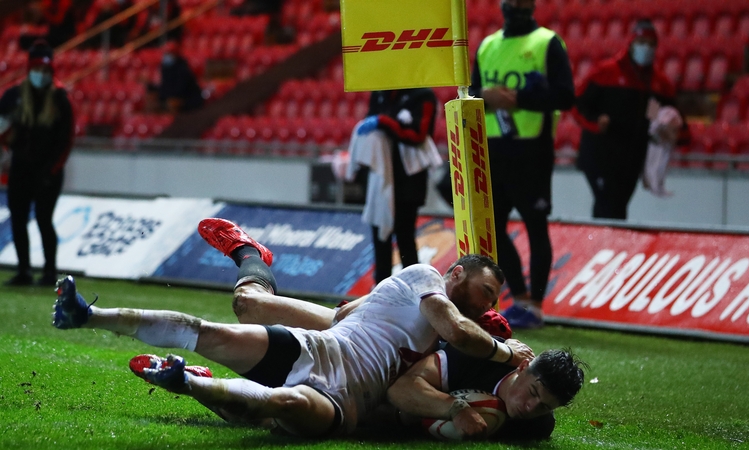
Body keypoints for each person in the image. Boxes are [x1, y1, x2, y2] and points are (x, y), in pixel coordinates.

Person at [52, 217, 533, 437]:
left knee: (272, 404)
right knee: (244, 306)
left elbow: (421, 380)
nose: (487, 305)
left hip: (348, 353)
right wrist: (505, 352)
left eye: (491, 301)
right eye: (485, 293)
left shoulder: (475, 330)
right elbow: (456, 333)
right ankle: (248, 255)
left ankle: (197, 382)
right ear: (455, 276)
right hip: (336, 336)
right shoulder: (435, 290)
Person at [469, 0, 575, 329]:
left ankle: (537, 306)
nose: (515, 5)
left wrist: (519, 99)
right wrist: (486, 97)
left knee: (535, 226)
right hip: (494, 149)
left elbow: (565, 96)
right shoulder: (488, 45)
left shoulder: (547, 42)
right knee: (495, 230)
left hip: (532, 149)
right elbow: (470, 92)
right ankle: (519, 298)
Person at [572, 19, 686, 220]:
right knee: (609, 207)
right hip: (600, 157)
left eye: (652, 45)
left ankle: (608, 248)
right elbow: (576, 105)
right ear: (631, 43)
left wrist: (672, 133)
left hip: (631, 161)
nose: (647, 49)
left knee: (616, 209)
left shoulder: (659, 84)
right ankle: (606, 247)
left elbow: (679, 126)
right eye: (642, 42)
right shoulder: (605, 73)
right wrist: (596, 123)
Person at [388, 344, 586, 440]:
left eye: (544, 407)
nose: (530, 407)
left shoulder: (538, 427)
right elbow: (400, 386)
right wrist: (456, 409)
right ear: (523, 367)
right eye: (533, 392)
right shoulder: (478, 356)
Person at [0, 40, 74, 286]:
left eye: (44, 70)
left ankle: (49, 272)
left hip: (47, 171)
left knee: (44, 219)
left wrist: (52, 170)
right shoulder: (14, 96)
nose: (40, 75)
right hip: (21, 167)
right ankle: (24, 271)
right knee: (19, 219)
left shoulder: (60, 98)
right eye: (37, 68)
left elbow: (67, 139)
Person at [352, 89, 440, 285]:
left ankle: (413, 290)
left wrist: (385, 122)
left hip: (408, 179)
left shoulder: (423, 95)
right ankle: (380, 290)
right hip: (380, 177)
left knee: (405, 237)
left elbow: (418, 135)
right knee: (379, 238)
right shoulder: (380, 92)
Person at [159, 40, 203, 114]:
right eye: (165, 53)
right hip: (174, 99)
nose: (166, 56)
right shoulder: (165, 68)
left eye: (169, 54)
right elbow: (165, 86)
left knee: (173, 103)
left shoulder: (182, 69)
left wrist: (173, 99)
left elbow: (181, 89)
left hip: (189, 102)